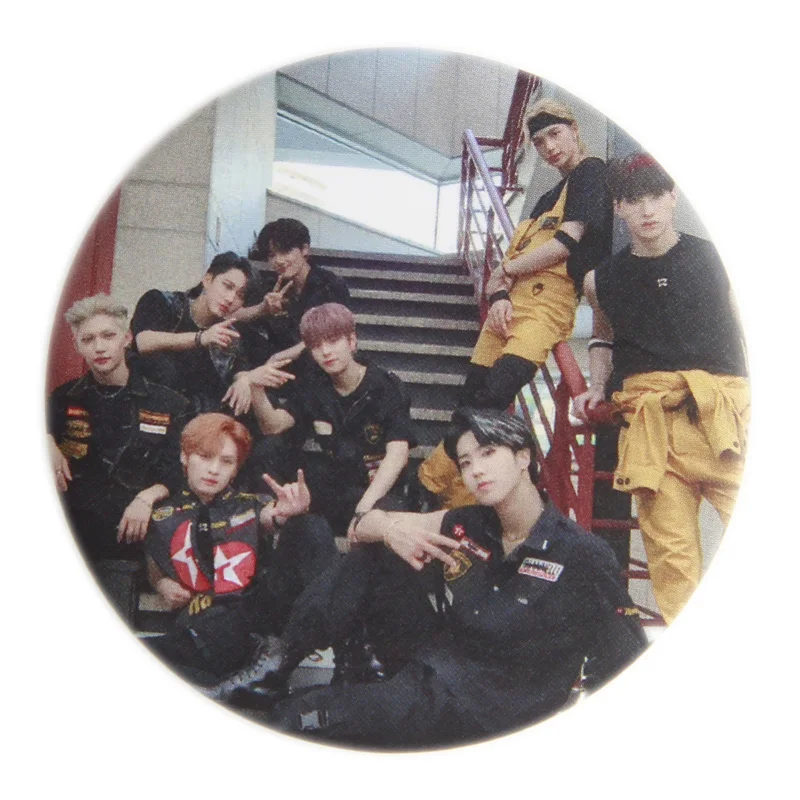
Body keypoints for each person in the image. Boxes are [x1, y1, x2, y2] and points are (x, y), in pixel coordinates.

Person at [209, 409, 646, 749]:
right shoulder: (472, 523)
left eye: (488, 453)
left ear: (523, 457)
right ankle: (283, 662)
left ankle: (327, 684)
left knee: (301, 716)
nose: (475, 471)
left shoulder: (582, 555)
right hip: (434, 667)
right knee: (374, 553)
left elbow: (626, 668)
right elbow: (362, 527)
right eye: (466, 462)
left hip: (485, 711)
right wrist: (391, 529)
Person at [573, 153, 749, 624]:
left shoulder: (718, 257)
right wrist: (596, 386)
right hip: (652, 424)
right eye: (634, 199)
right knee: (672, 562)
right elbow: (604, 337)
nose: (647, 209)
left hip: (725, 414)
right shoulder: (600, 279)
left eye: (656, 195)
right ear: (618, 207)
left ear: (673, 196)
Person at [419, 99, 613, 508]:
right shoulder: (545, 199)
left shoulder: (591, 173)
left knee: (490, 400)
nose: (548, 147)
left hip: (546, 307)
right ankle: (457, 502)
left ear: (575, 129)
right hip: (507, 310)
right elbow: (500, 272)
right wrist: (500, 294)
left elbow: (566, 243)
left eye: (555, 134)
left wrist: (508, 271)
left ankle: (427, 483)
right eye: (539, 141)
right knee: (469, 403)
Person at [145, 413, 337, 687]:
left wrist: (287, 513)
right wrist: (161, 584)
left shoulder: (250, 504)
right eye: (205, 457)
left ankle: (299, 649)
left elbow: (269, 517)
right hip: (203, 629)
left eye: (226, 462)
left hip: (255, 617)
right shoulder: (161, 514)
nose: (214, 470)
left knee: (310, 525)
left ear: (236, 470)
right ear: (184, 457)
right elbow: (154, 565)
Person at [47, 294, 189, 618]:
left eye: (108, 336)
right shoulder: (63, 399)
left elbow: (178, 470)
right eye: (88, 339)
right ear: (78, 347)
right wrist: (46, 440)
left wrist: (148, 497)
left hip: (135, 529)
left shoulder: (167, 403)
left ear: (126, 338)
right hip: (76, 528)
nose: (99, 347)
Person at [249, 302, 416, 535]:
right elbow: (273, 426)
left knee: (384, 520)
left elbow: (397, 455)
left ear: (352, 341)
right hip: (337, 480)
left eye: (333, 341)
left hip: (377, 487)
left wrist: (364, 509)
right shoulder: (314, 384)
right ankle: (272, 517)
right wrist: (255, 388)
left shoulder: (385, 387)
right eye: (317, 346)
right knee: (269, 450)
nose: (326, 352)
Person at [130, 251, 282, 417]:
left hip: (194, 417)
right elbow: (143, 341)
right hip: (141, 406)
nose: (230, 298)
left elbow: (239, 368)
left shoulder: (229, 334)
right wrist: (201, 338)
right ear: (207, 280)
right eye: (227, 286)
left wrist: (244, 380)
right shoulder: (163, 302)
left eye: (240, 295)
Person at [238, 218, 351, 370]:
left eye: (285, 251)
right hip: (282, 368)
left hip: (320, 365)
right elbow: (231, 317)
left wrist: (278, 357)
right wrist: (262, 309)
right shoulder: (273, 287)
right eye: (272, 255)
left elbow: (330, 336)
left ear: (304, 249)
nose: (279, 260)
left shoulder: (330, 285)